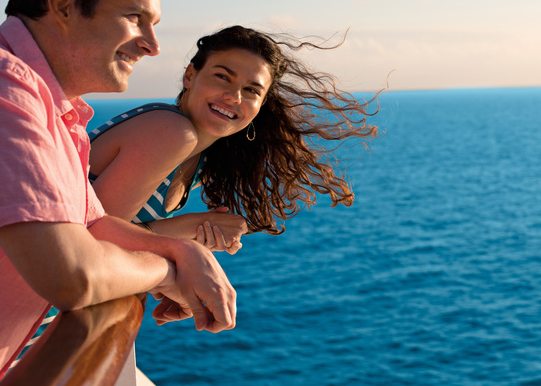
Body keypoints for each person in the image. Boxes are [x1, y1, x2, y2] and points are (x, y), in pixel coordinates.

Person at [0, 0, 236, 378]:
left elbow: (92, 226)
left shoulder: (56, 108)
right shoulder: (8, 90)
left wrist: (182, 252)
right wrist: (166, 271)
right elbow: (75, 275)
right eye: (134, 17)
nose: (152, 45)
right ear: (64, 6)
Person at [87, 25, 379, 258]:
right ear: (190, 75)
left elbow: (117, 243)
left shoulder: (201, 161)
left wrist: (191, 244)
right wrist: (188, 229)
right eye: (222, 77)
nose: (233, 97)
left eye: (251, 90)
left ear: (261, 106)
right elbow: (91, 242)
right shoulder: (170, 131)